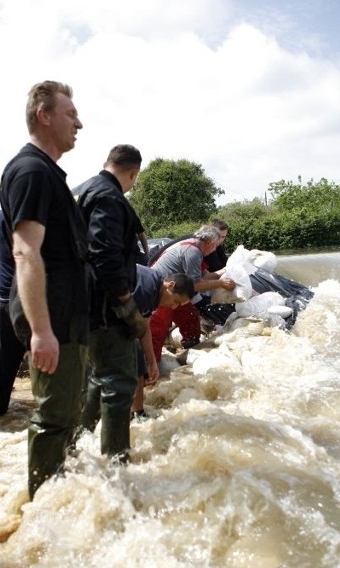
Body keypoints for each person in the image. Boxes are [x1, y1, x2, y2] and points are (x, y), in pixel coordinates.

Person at [0, 80, 88, 498]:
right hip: (50, 319)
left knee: (69, 414)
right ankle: (45, 512)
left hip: (66, 318)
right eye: (71, 114)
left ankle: (64, 498)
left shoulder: (48, 173)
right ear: (44, 115)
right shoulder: (32, 171)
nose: (79, 123)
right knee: (55, 418)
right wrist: (41, 331)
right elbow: (25, 252)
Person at [74, 144, 147, 461]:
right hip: (105, 308)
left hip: (88, 305)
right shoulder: (109, 197)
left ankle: (76, 442)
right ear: (133, 172)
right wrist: (127, 304)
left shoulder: (90, 189)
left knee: (98, 377)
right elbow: (104, 255)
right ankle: (118, 463)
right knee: (120, 383)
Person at [149, 225, 236, 361]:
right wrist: (220, 283)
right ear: (208, 243)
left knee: (190, 318)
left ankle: (190, 349)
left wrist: (223, 272)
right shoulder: (193, 252)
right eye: (214, 246)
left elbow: (202, 277)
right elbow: (195, 285)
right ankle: (151, 367)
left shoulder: (194, 248)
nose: (215, 250)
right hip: (162, 293)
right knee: (158, 329)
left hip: (177, 292)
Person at [128, 269, 196, 419]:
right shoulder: (147, 287)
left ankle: (137, 413)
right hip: (100, 319)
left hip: (119, 320)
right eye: (176, 301)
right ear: (170, 285)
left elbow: (145, 328)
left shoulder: (155, 294)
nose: (173, 307)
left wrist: (152, 362)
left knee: (139, 362)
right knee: (128, 363)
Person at [0, 209, 27, 421]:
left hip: (7, 305)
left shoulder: (0, 217)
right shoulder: (42, 214)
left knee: (1, 376)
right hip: (38, 305)